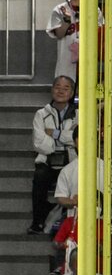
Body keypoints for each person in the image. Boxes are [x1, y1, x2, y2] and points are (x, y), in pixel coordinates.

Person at [30, 74, 76, 235]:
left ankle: (70, 223)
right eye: (57, 87)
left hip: (71, 161)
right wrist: (65, 137)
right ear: (52, 90)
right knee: (39, 177)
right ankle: (37, 223)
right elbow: (39, 143)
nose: (61, 91)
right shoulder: (41, 114)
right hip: (47, 161)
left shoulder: (79, 114)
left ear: (71, 93)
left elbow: (78, 139)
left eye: (66, 88)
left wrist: (54, 134)